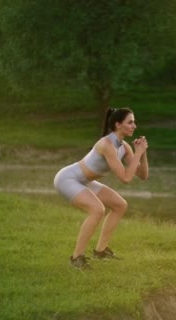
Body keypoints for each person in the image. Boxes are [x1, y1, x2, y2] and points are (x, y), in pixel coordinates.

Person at [53, 107, 149, 270]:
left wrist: (142, 153)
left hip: (84, 180)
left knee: (120, 205)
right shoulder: (106, 145)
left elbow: (142, 175)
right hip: (67, 179)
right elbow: (126, 178)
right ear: (118, 125)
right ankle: (77, 258)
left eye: (134, 122)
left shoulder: (124, 146)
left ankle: (100, 251)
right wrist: (138, 153)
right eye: (130, 122)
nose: (134, 126)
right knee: (97, 210)